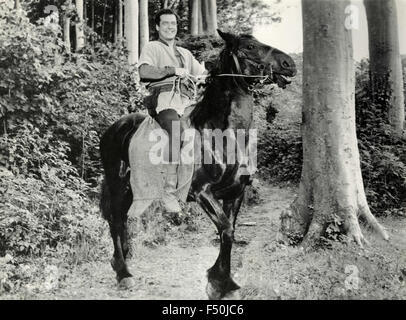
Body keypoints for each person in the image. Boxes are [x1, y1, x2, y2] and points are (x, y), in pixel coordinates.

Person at [137, 8, 207, 214]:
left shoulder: (185, 53)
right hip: (164, 100)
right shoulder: (152, 47)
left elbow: (202, 73)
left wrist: (205, 76)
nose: (170, 27)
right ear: (158, 26)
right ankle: (167, 193)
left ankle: (187, 192)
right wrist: (172, 70)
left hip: (186, 102)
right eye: (165, 24)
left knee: (202, 135)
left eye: (173, 24)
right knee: (177, 133)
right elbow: (144, 71)